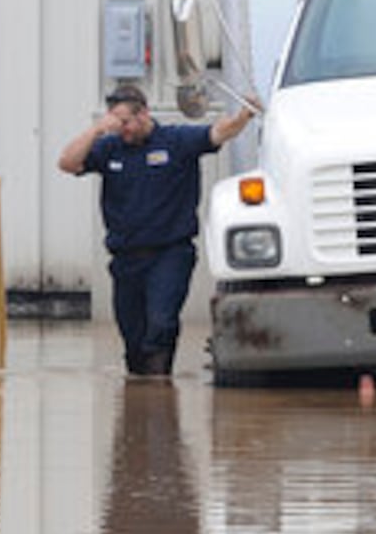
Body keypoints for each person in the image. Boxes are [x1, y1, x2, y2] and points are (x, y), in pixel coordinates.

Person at [58, 83, 256, 375]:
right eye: (115, 122)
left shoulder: (175, 141)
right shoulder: (110, 147)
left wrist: (243, 116)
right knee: (133, 337)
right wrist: (97, 130)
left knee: (161, 323)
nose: (121, 129)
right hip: (125, 258)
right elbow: (67, 163)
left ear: (144, 114)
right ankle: (141, 395)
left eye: (125, 122)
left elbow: (217, 133)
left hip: (169, 253)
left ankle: (160, 389)